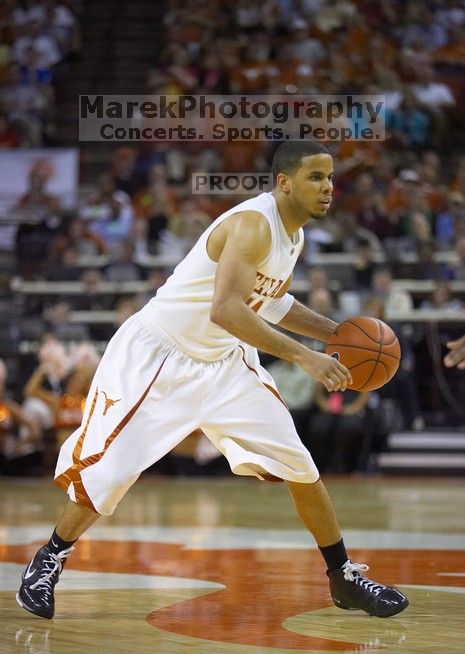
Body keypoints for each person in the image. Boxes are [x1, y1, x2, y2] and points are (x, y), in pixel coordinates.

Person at [17, 141, 408, 621]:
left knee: (299, 464)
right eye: (315, 177)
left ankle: (342, 577)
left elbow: (273, 303)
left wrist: (339, 335)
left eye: (330, 178)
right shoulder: (251, 225)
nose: (328, 187)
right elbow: (226, 309)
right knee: (112, 471)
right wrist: (305, 356)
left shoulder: (294, 236)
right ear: (284, 182)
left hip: (223, 363)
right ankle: (47, 561)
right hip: (160, 356)